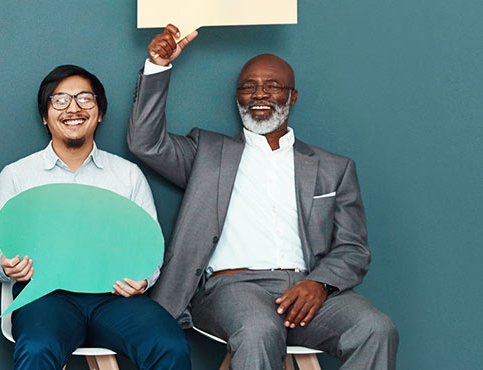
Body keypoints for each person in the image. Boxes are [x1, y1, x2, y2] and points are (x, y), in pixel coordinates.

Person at [131, 25, 398, 369]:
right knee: (259, 329)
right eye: (248, 87)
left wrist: (319, 283)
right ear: (238, 97)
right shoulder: (208, 153)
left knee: (375, 328)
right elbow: (145, 143)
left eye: (272, 86)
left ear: (292, 96)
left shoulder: (334, 168)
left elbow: (353, 247)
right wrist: (157, 67)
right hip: (233, 289)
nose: (260, 94)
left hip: (307, 290)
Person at [0, 64, 190, 370]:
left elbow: (150, 246)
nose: (73, 108)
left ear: (100, 112)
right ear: (44, 115)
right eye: (59, 99)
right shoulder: (16, 176)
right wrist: (3, 265)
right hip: (46, 295)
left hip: (115, 296)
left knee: (169, 346)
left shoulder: (127, 175)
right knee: (37, 349)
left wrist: (144, 279)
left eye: (85, 99)